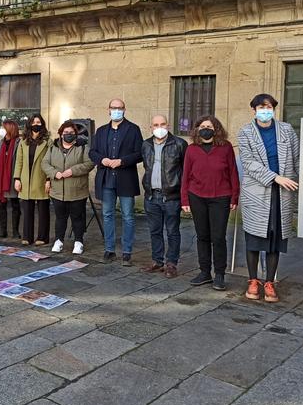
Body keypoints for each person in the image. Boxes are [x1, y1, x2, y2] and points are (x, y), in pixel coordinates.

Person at [238, 94, 300, 303]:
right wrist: (275, 177)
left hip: (282, 193)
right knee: (255, 237)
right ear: (254, 110)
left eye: (268, 107)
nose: (265, 110)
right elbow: (248, 162)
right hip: (256, 192)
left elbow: (297, 157)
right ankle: (253, 280)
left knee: (276, 237)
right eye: (260, 107)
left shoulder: (287, 130)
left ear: (274, 109)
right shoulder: (246, 132)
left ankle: (270, 281)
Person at [181, 116, 239, 291]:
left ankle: (219, 274)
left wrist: (234, 197)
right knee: (202, 236)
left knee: (218, 237)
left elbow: (233, 173)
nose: (206, 129)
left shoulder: (226, 147)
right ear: (197, 129)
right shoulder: (191, 150)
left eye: (210, 126)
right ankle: (204, 272)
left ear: (216, 129)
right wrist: (185, 199)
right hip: (196, 196)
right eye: (202, 126)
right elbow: (186, 175)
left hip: (221, 197)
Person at [89, 99, 143, 266]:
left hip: (125, 177)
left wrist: (122, 161)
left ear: (124, 110)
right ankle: (109, 249)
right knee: (107, 214)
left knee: (128, 216)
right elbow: (92, 152)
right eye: (114, 108)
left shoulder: (133, 129)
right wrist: (102, 160)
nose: (116, 110)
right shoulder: (101, 131)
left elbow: (140, 153)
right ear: (109, 110)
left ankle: (127, 252)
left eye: (120, 108)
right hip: (106, 179)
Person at [141, 114, 188, 278]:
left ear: (168, 125)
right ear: (151, 127)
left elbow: (186, 171)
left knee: (172, 231)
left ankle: (171, 263)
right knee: (154, 231)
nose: (159, 128)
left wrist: (184, 196)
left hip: (171, 196)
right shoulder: (146, 144)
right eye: (155, 125)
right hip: (151, 196)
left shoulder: (179, 144)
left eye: (162, 124)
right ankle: (157, 261)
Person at [42, 120, 95, 254]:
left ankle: (78, 241)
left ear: (76, 134)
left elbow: (89, 164)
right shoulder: (53, 147)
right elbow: (45, 163)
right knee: (60, 218)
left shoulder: (82, 147)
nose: (68, 135)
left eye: (71, 133)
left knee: (77, 217)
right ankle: (59, 240)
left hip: (77, 190)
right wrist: (54, 173)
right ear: (61, 134)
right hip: (58, 191)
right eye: (66, 132)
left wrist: (73, 171)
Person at [14, 114, 51, 246]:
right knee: (27, 209)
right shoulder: (23, 142)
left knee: (43, 210)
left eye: (39, 122)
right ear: (29, 124)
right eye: (34, 122)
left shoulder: (48, 142)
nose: (36, 124)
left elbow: (51, 161)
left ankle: (43, 237)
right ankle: (27, 236)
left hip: (41, 178)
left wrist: (49, 179)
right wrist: (17, 178)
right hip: (26, 179)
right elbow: (19, 161)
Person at [0, 120, 21, 239]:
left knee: (15, 205)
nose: (1, 130)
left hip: (12, 177)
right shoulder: (1, 143)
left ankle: (15, 231)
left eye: (3, 128)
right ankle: (2, 230)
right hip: (1, 178)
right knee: (1, 205)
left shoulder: (19, 143)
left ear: (10, 129)